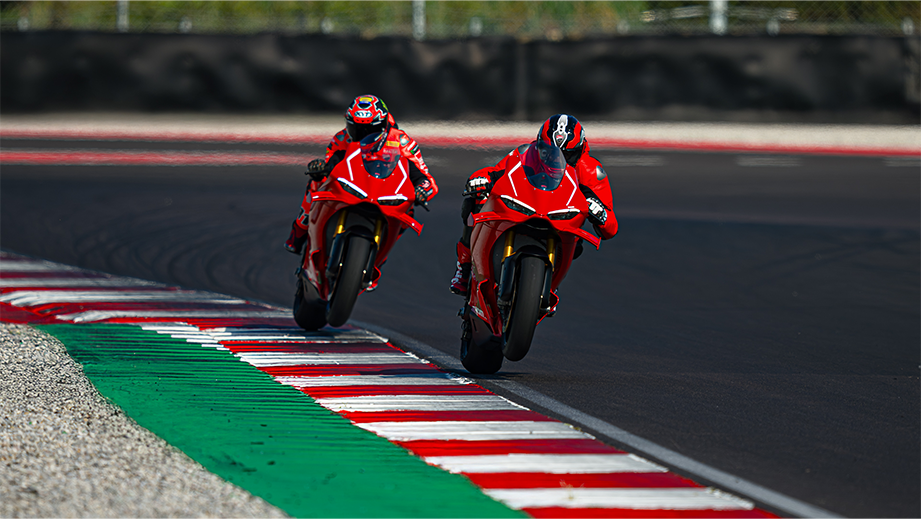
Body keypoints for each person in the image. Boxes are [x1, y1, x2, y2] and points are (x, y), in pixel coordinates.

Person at [449, 114, 618, 297]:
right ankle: (464, 266)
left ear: (580, 149)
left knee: (578, 243)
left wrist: (600, 214)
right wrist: (481, 178)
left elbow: (611, 227)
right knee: (475, 200)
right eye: (549, 151)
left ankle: (548, 282)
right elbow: (498, 172)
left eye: (567, 155)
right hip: (523, 210)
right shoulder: (527, 154)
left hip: (562, 224)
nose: (557, 159)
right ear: (539, 145)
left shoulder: (592, 171)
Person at [284, 94, 438, 254]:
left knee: (408, 211)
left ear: (383, 125)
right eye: (357, 129)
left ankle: (377, 261)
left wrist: (422, 189)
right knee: (316, 182)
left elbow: (424, 176)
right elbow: (331, 165)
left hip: (386, 192)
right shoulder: (342, 138)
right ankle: (300, 229)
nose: (364, 135)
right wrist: (320, 168)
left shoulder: (402, 141)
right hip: (351, 186)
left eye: (370, 130)